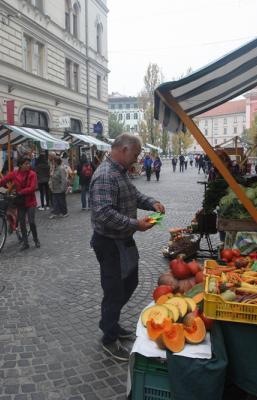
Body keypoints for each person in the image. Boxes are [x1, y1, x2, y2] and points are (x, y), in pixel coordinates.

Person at [89, 133, 165, 361]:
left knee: (130, 281)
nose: (137, 158)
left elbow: (134, 194)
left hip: (123, 240)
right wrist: (136, 224)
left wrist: (151, 202)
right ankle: (109, 338)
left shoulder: (120, 172)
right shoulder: (105, 175)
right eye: (135, 154)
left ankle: (109, 321)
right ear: (123, 150)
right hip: (109, 242)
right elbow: (103, 214)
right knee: (114, 290)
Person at [0, 156, 40, 250]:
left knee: (31, 221)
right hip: (20, 201)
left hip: (30, 201)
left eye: (29, 164)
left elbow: (32, 187)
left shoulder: (32, 174)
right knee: (22, 223)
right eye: (26, 164)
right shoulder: (15, 174)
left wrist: (20, 192)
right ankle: (25, 243)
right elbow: (3, 180)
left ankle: (36, 239)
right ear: (21, 165)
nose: (28, 165)